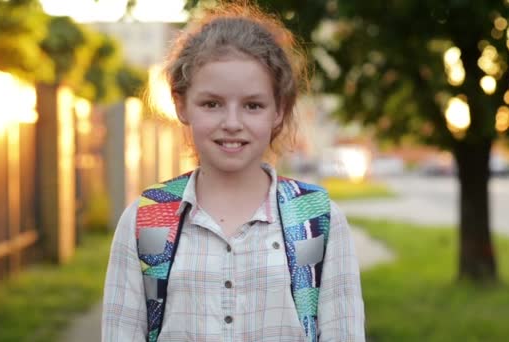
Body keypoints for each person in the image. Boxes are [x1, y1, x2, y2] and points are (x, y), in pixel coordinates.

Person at [102, 3, 365, 341]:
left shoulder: (317, 219)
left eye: (253, 106)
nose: (232, 123)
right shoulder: (146, 219)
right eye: (212, 104)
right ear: (181, 105)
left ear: (279, 110)